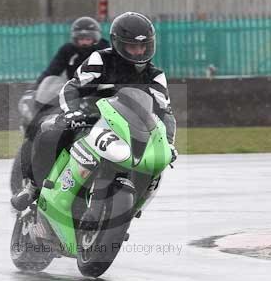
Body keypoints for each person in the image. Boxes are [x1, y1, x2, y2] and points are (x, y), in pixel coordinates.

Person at [11, 11, 178, 211]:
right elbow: (72, 87)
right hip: (88, 116)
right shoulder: (100, 59)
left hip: (128, 126)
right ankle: (33, 187)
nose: (138, 52)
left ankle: (132, 206)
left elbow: (165, 113)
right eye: (132, 46)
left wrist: (167, 142)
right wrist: (72, 112)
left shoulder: (156, 76)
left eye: (143, 46)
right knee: (49, 133)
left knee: (153, 162)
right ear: (118, 43)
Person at [35, 16, 109, 85]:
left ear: (95, 39)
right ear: (75, 39)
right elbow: (52, 71)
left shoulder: (104, 50)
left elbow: (115, 70)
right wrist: (37, 87)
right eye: (81, 39)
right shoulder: (68, 50)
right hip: (75, 91)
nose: (84, 42)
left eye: (88, 39)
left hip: (100, 90)